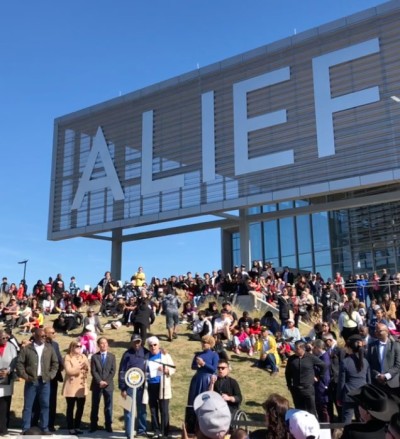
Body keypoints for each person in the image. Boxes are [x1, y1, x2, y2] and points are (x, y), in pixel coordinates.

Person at [16, 327, 59, 433]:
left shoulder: (49, 348)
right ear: (35, 336)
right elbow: (19, 364)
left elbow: (55, 363)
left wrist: (51, 375)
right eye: (42, 336)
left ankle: (44, 428)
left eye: (45, 336)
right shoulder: (27, 349)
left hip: (45, 381)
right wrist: (25, 376)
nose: (44, 338)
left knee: (45, 405)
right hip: (31, 381)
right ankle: (25, 428)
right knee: (28, 406)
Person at [32, 326, 64, 431]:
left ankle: (49, 424)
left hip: (52, 378)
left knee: (51, 402)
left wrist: (61, 367)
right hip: (38, 378)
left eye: (54, 332)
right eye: (52, 333)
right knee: (37, 401)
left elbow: (58, 359)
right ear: (45, 333)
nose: (54, 334)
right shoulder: (35, 344)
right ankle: (34, 424)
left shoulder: (55, 345)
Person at [285, 340, 327, 417]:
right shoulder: (291, 359)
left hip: (308, 389)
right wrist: (289, 385)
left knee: (311, 411)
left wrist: (319, 377)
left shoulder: (311, 357)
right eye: (294, 348)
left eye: (297, 349)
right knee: (299, 411)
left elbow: (323, 366)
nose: (295, 350)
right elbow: (288, 373)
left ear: (302, 348)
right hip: (296, 389)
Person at [119, 334, 149, 438]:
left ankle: (141, 431)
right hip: (128, 386)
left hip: (141, 386)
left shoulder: (146, 352)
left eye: (138, 341)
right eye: (134, 342)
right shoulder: (126, 354)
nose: (136, 344)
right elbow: (122, 371)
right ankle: (129, 432)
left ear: (141, 342)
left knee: (142, 409)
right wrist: (122, 388)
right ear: (131, 342)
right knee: (128, 409)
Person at [145, 336, 175, 438]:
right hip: (151, 385)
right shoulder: (146, 356)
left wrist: (166, 370)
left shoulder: (165, 355)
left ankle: (165, 432)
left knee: (164, 409)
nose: (153, 347)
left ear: (158, 345)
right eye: (151, 345)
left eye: (155, 345)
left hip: (163, 385)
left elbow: (173, 369)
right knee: (153, 409)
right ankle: (156, 431)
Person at [337, 334, 371, 424]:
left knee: (347, 421)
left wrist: (339, 397)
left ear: (349, 347)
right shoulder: (366, 361)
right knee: (362, 421)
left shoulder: (345, 362)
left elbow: (341, 382)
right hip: (362, 395)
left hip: (349, 394)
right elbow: (369, 381)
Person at [62, 340, 90, 434]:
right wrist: (79, 367)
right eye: (77, 346)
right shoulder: (67, 357)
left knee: (80, 407)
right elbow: (69, 371)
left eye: (80, 346)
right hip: (71, 386)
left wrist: (86, 367)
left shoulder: (84, 356)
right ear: (72, 347)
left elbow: (88, 369)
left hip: (81, 386)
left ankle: (77, 426)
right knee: (70, 407)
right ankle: (70, 427)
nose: (79, 348)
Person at [90, 337, 116, 433]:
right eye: (101, 343)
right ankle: (93, 425)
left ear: (107, 344)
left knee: (108, 406)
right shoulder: (94, 357)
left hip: (108, 386)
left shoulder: (112, 356)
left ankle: (108, 425)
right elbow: (93, 371)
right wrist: (100, 381)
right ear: (98, 345)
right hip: (97, 385)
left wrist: (106, 382)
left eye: (105, 343)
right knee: (95, 405)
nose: (104, 345)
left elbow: (113, 371)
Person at [367, 323, 400, 394]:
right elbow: (368, 364)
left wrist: (386, 376)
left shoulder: (395, 345)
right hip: (377, 383)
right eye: (376, 331)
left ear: (387, 331)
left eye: (379, 331)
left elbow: (398, 365)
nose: (377, 333)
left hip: (393, 383)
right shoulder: (371, 346)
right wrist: (377, 375)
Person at [187, 335, 219, 406]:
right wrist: (197, 366)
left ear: (210, 344)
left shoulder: (214, 355)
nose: (203, 344)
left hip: (207, 379)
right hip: (197, 378)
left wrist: (203, 364)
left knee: (205, 400)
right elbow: (193, 366)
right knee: (194, 399)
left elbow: (214, 369)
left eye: (205, 342)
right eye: (202, 342)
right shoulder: (198, 354)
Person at [0, 329, 18, 436]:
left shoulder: (11, 346)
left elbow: (14, 361)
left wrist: (8, 370)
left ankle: (4, 428)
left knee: (5, 404)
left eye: (7, 337)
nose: (6, 339)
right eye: (3, 338)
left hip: (6, 378)